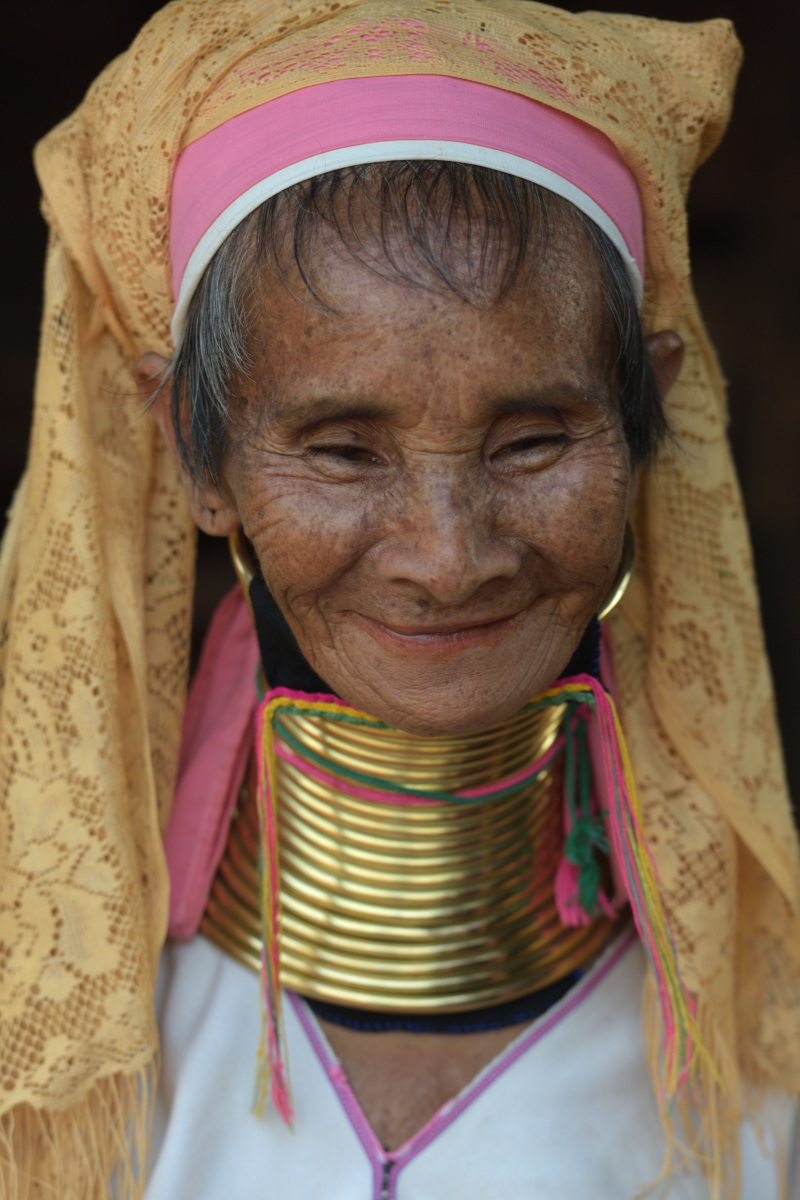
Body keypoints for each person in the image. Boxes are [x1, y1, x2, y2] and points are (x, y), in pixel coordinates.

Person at [0, 1, 798, 1197]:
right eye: (339, 451)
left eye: (533, 440)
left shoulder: (756, 1055)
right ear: (198, 457)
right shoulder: (58, 1055)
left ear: (647, 422)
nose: (445, 555)